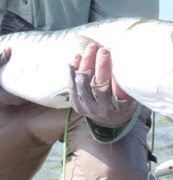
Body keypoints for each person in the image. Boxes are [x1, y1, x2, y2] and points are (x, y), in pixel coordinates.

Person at [0, 1, 159, 179]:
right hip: (5, 99)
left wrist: (111, 119)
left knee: (112, 172)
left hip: (95, 99)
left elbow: (129, 47)